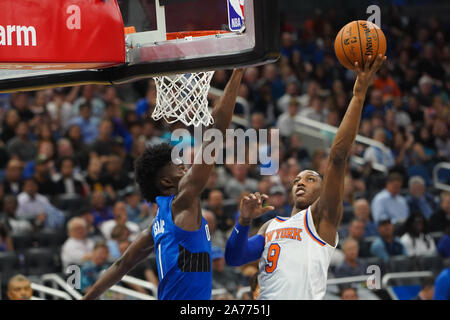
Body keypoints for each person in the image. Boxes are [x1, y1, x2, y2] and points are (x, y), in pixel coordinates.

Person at [225, 55, 386, 299]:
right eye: (298, 179)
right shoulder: (271, 226)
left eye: (311, 178)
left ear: (324, 190)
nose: (301, 181)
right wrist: (244, 220)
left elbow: (338, 157)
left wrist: (359, 95)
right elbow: (234, 258)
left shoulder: (322, 218)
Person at [82, 69, 244, 300]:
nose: (185, 167)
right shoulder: (184, 202)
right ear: (166, 182)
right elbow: (216, 130)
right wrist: (237, 71)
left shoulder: (157, 225)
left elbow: (121, 264)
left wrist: (87, 298)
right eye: (178, 166)